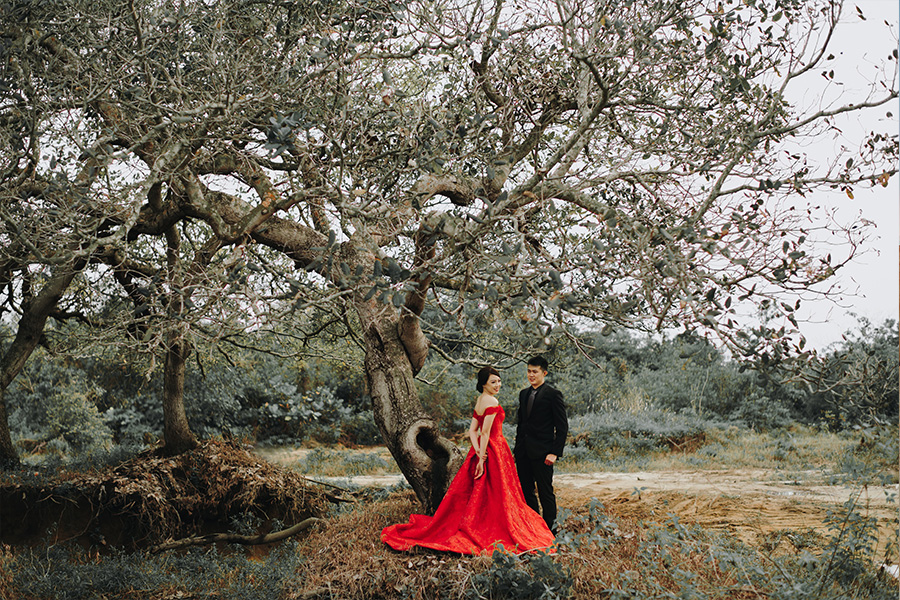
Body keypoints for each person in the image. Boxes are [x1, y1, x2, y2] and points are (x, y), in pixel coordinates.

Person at [381, 366, 554, 555]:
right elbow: (485, 432)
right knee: (499, 492)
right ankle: (492, 525)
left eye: (498, 381)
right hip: (494, 449)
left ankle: (480, 521)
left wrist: (478, 451)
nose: (498, 385)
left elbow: (473, 431)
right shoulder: (491, 401)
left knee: (482, 492)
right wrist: (482, 458)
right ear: (483, 384)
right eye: (493, 382)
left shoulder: (480, 400)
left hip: (481, 448)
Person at [513, 356, 568, 533]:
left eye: (535, 371)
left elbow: (562, 426)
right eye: (529, 371)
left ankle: (551, 529)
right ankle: (534, 527)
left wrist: (554, 452)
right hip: (523, 453)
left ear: (544, 373)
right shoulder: (524, 394)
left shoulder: (553, 395)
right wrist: (517, 448)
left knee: (545, 492)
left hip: (543, 453)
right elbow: (521, 424)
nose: (531, 375)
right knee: (526, 491)